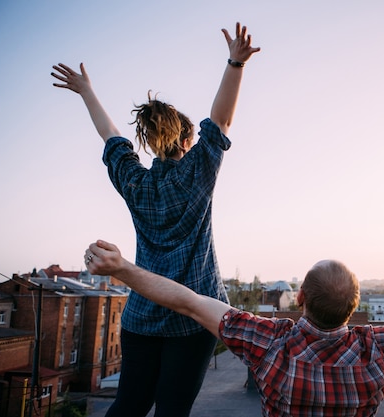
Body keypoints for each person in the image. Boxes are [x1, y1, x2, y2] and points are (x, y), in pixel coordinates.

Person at [84, 239, 384, 417]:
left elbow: (188, 302)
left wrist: (123, 269)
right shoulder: (382, 348)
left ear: (299, 298)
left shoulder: (267, 342)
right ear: (355, 306)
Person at [52, 23, 260, 417]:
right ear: (186, 141)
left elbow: (111, 136)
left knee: (128, 405)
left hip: (141, 318)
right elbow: (220, 123)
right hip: (194, 318)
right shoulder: (197, 172)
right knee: (172, 409)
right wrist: (235, 63)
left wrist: (86, 91)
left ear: (149, 143)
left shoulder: (135, 182)